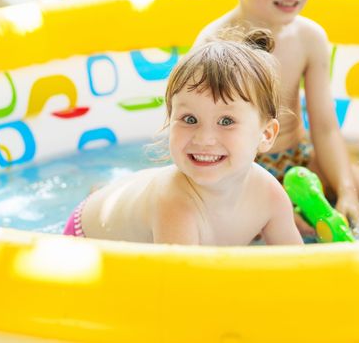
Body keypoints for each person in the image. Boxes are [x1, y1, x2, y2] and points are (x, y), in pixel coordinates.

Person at [193, 0, 359, 235]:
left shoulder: (308, 38)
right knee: (238, 229)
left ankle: (346, 172)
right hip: (239, 171)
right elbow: (206, 142)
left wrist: (347, 191)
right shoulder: (213, 46)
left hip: (300, 159)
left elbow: (325, 128)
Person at [63, 29, 304, 246]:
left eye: (226, 121)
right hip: (84, 244)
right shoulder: (176, 205)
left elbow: (299, 268)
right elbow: (184, 292)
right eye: (189, 119)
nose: (204, 138)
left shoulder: (269, 195)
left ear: (266, 134)